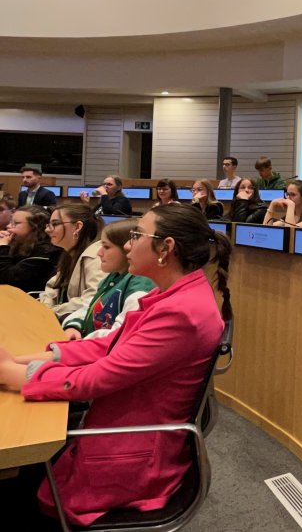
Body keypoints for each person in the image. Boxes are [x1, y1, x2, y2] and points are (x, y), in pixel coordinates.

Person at [0, 204, 231, 527]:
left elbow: (98, 378)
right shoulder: (175, 296)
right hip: (119, 430)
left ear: (166, 249)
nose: (127, 244)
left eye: (137, 236)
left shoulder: (182, 313)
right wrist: (24, 359)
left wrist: (16, 374)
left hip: (130, 456)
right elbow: (106, 346)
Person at [61, 219, 155, 341]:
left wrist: (83, 342)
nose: (99, 253)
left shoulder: (141, 284)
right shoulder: (113, 276)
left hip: (100, 351)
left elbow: (120, 333)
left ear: (127, 248)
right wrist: (74, 326)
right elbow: (89, 307)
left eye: (106, 247)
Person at [40, 204, 105, 322]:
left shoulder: (95, 256)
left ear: (77, 227)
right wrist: (44, 307)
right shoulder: (69, 254)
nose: (47, 229)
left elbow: (93, 298)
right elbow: (53, 287)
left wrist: (53, 310)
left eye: (55, 224)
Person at [0, 205, 61, 294]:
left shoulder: (46, 252)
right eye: (10, 222)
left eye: (15, 223)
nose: (8, 226)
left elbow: (7, 278)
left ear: (34, 227)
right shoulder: (18, 243)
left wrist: (2, 248)